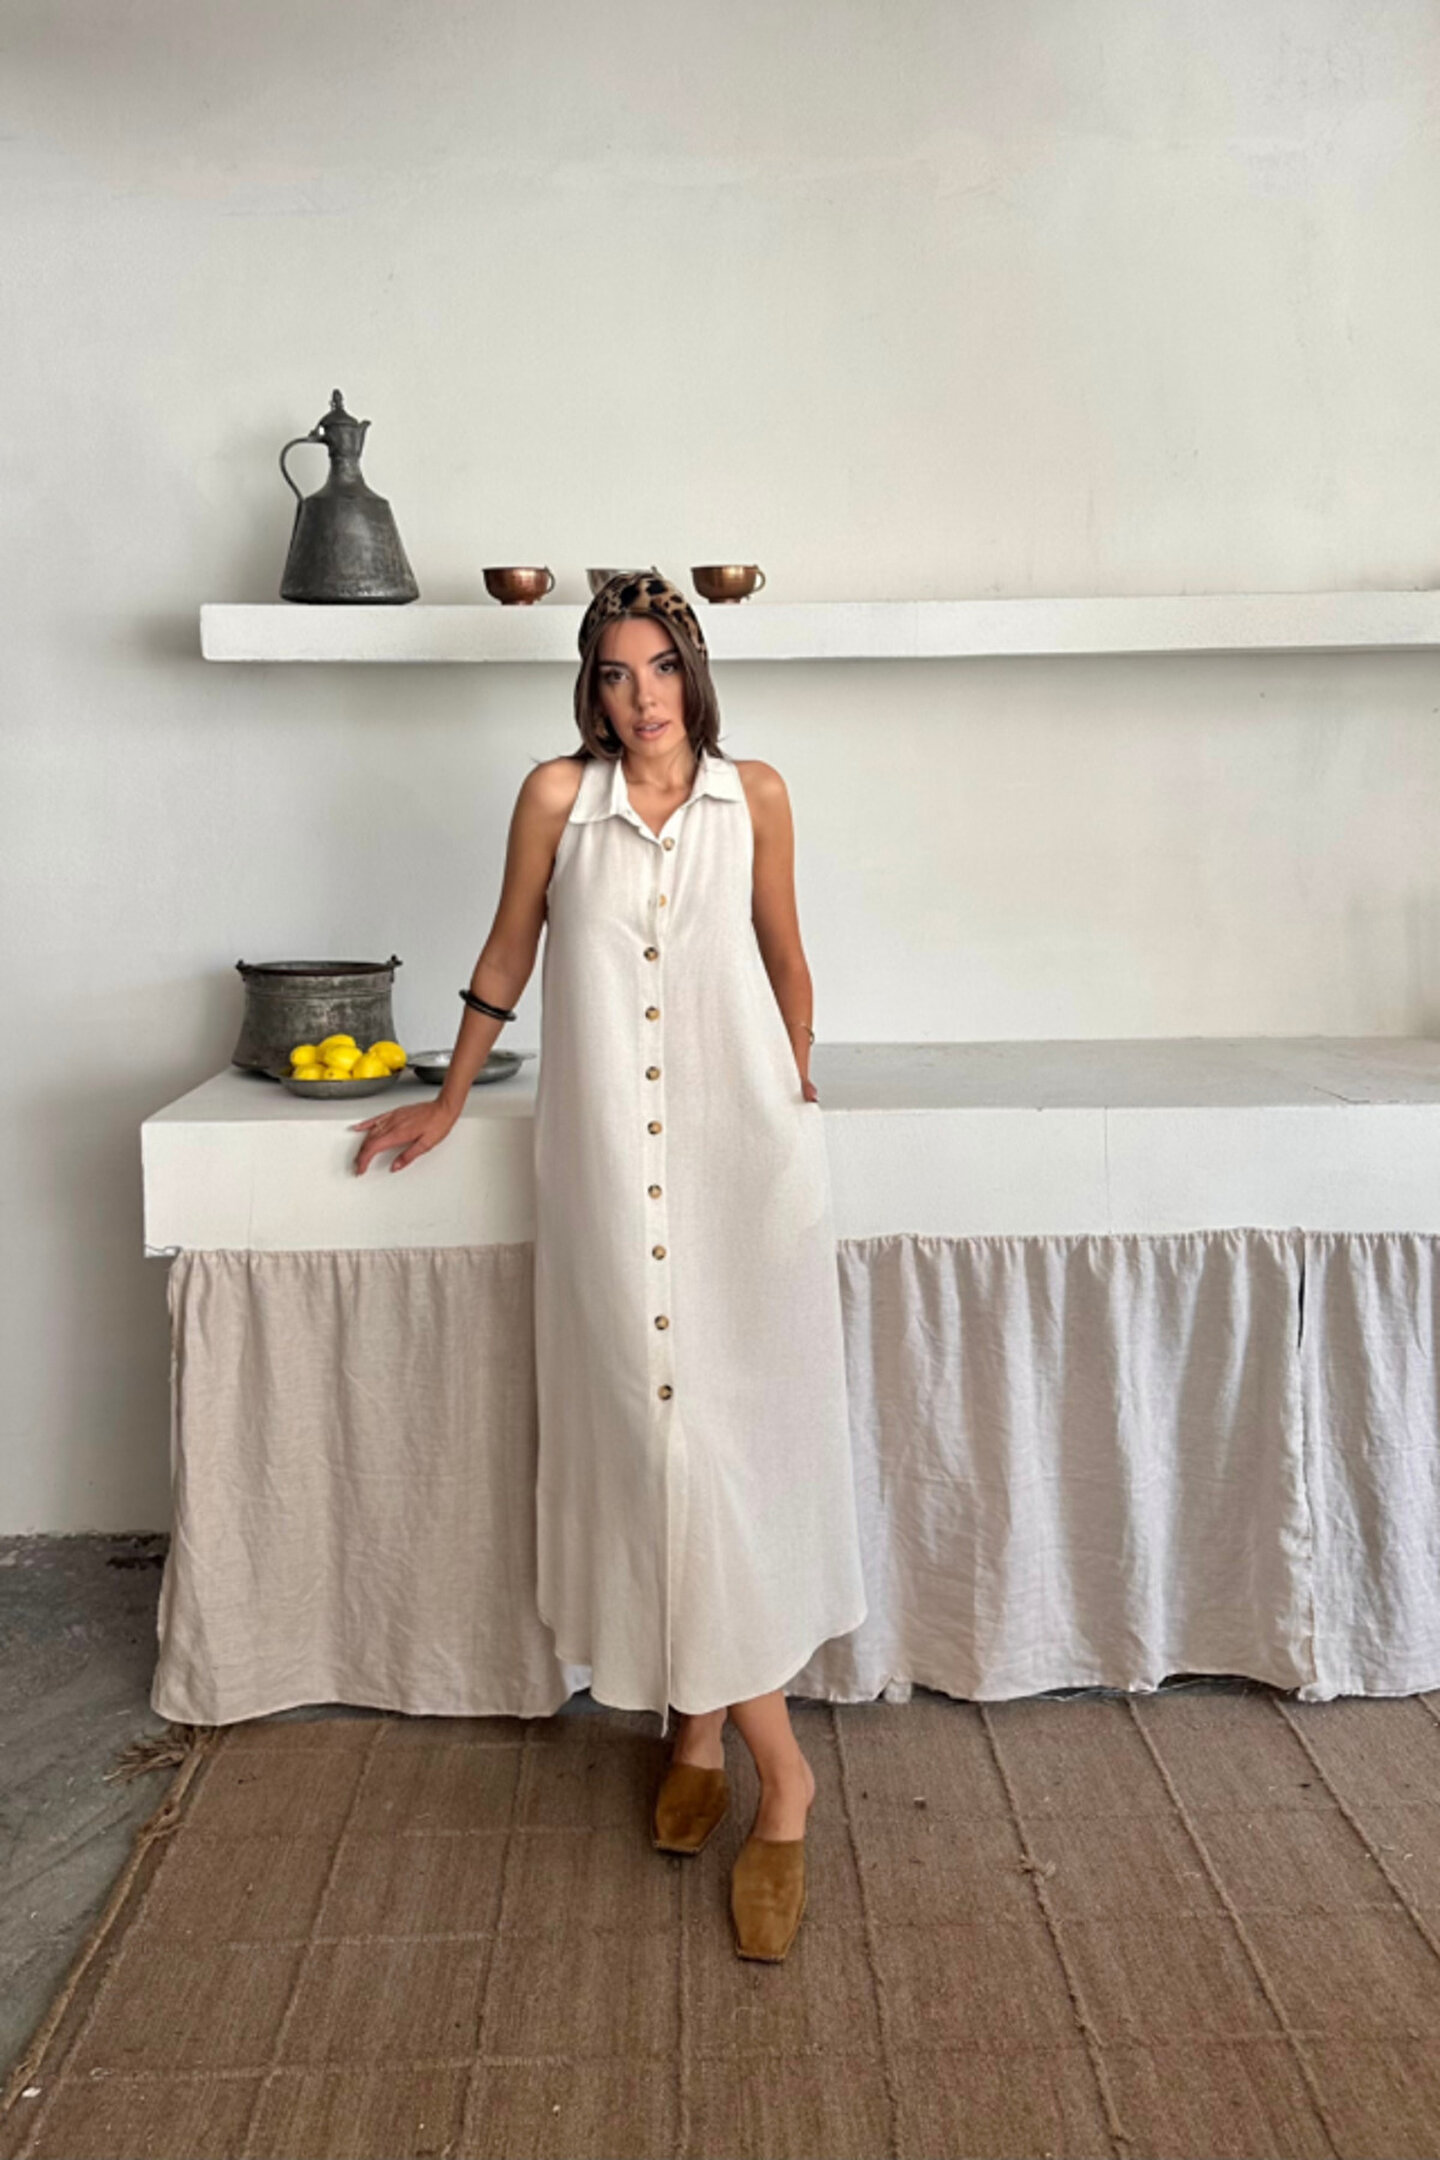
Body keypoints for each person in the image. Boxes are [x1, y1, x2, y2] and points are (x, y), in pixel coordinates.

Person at [352, 570, 867, 1961]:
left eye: (661, 670)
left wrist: (795, 1086)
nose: (642, 700)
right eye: (615, 675)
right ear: (588, 687)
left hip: (739, 1163)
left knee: (722, 1447)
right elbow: (507, 951)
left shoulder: (755, 795)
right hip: (602, 1174)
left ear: (695, 673)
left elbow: (785, 956)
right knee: (646, 1442)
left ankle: (776, 1777)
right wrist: (450, 1099)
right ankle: (697, 1723)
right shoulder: (553, 801)